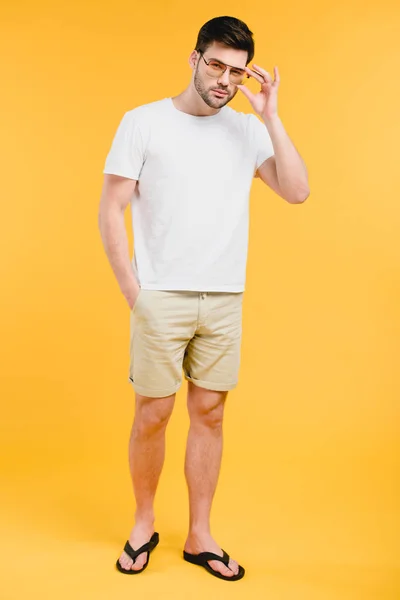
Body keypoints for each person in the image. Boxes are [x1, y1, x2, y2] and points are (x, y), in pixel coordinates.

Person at [98, 15, 309, 581]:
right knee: (153, 414)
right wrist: (134, 292)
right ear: (194, 59)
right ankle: (144, 523)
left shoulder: (246, 130)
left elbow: (297, 190)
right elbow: (110, 207)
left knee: (210, 414)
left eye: (237, 73)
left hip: (224, 297)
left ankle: (200, 534)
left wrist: (271, 115)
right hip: (159, 294)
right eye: (216, 65)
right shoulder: (143, 123)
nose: (225, 79)